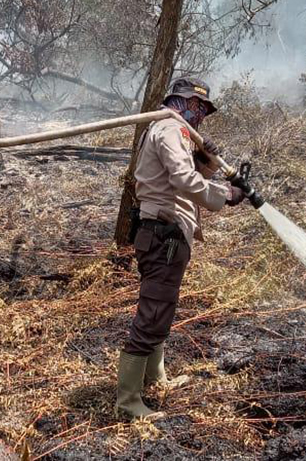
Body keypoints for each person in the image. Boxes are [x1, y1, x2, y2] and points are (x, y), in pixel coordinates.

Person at [116, 78, 245, 420]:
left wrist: (204, 159)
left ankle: (155, 376)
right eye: (197, 106)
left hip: (167, 235)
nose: (201, 114)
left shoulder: (173, 131)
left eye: (204, 109)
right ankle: (128, 401)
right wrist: (225, 194)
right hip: (163, 236)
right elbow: (183, 182)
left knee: (162, 309)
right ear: (179, 101)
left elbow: (181, 171)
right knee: (153, 313)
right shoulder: (170, 128)